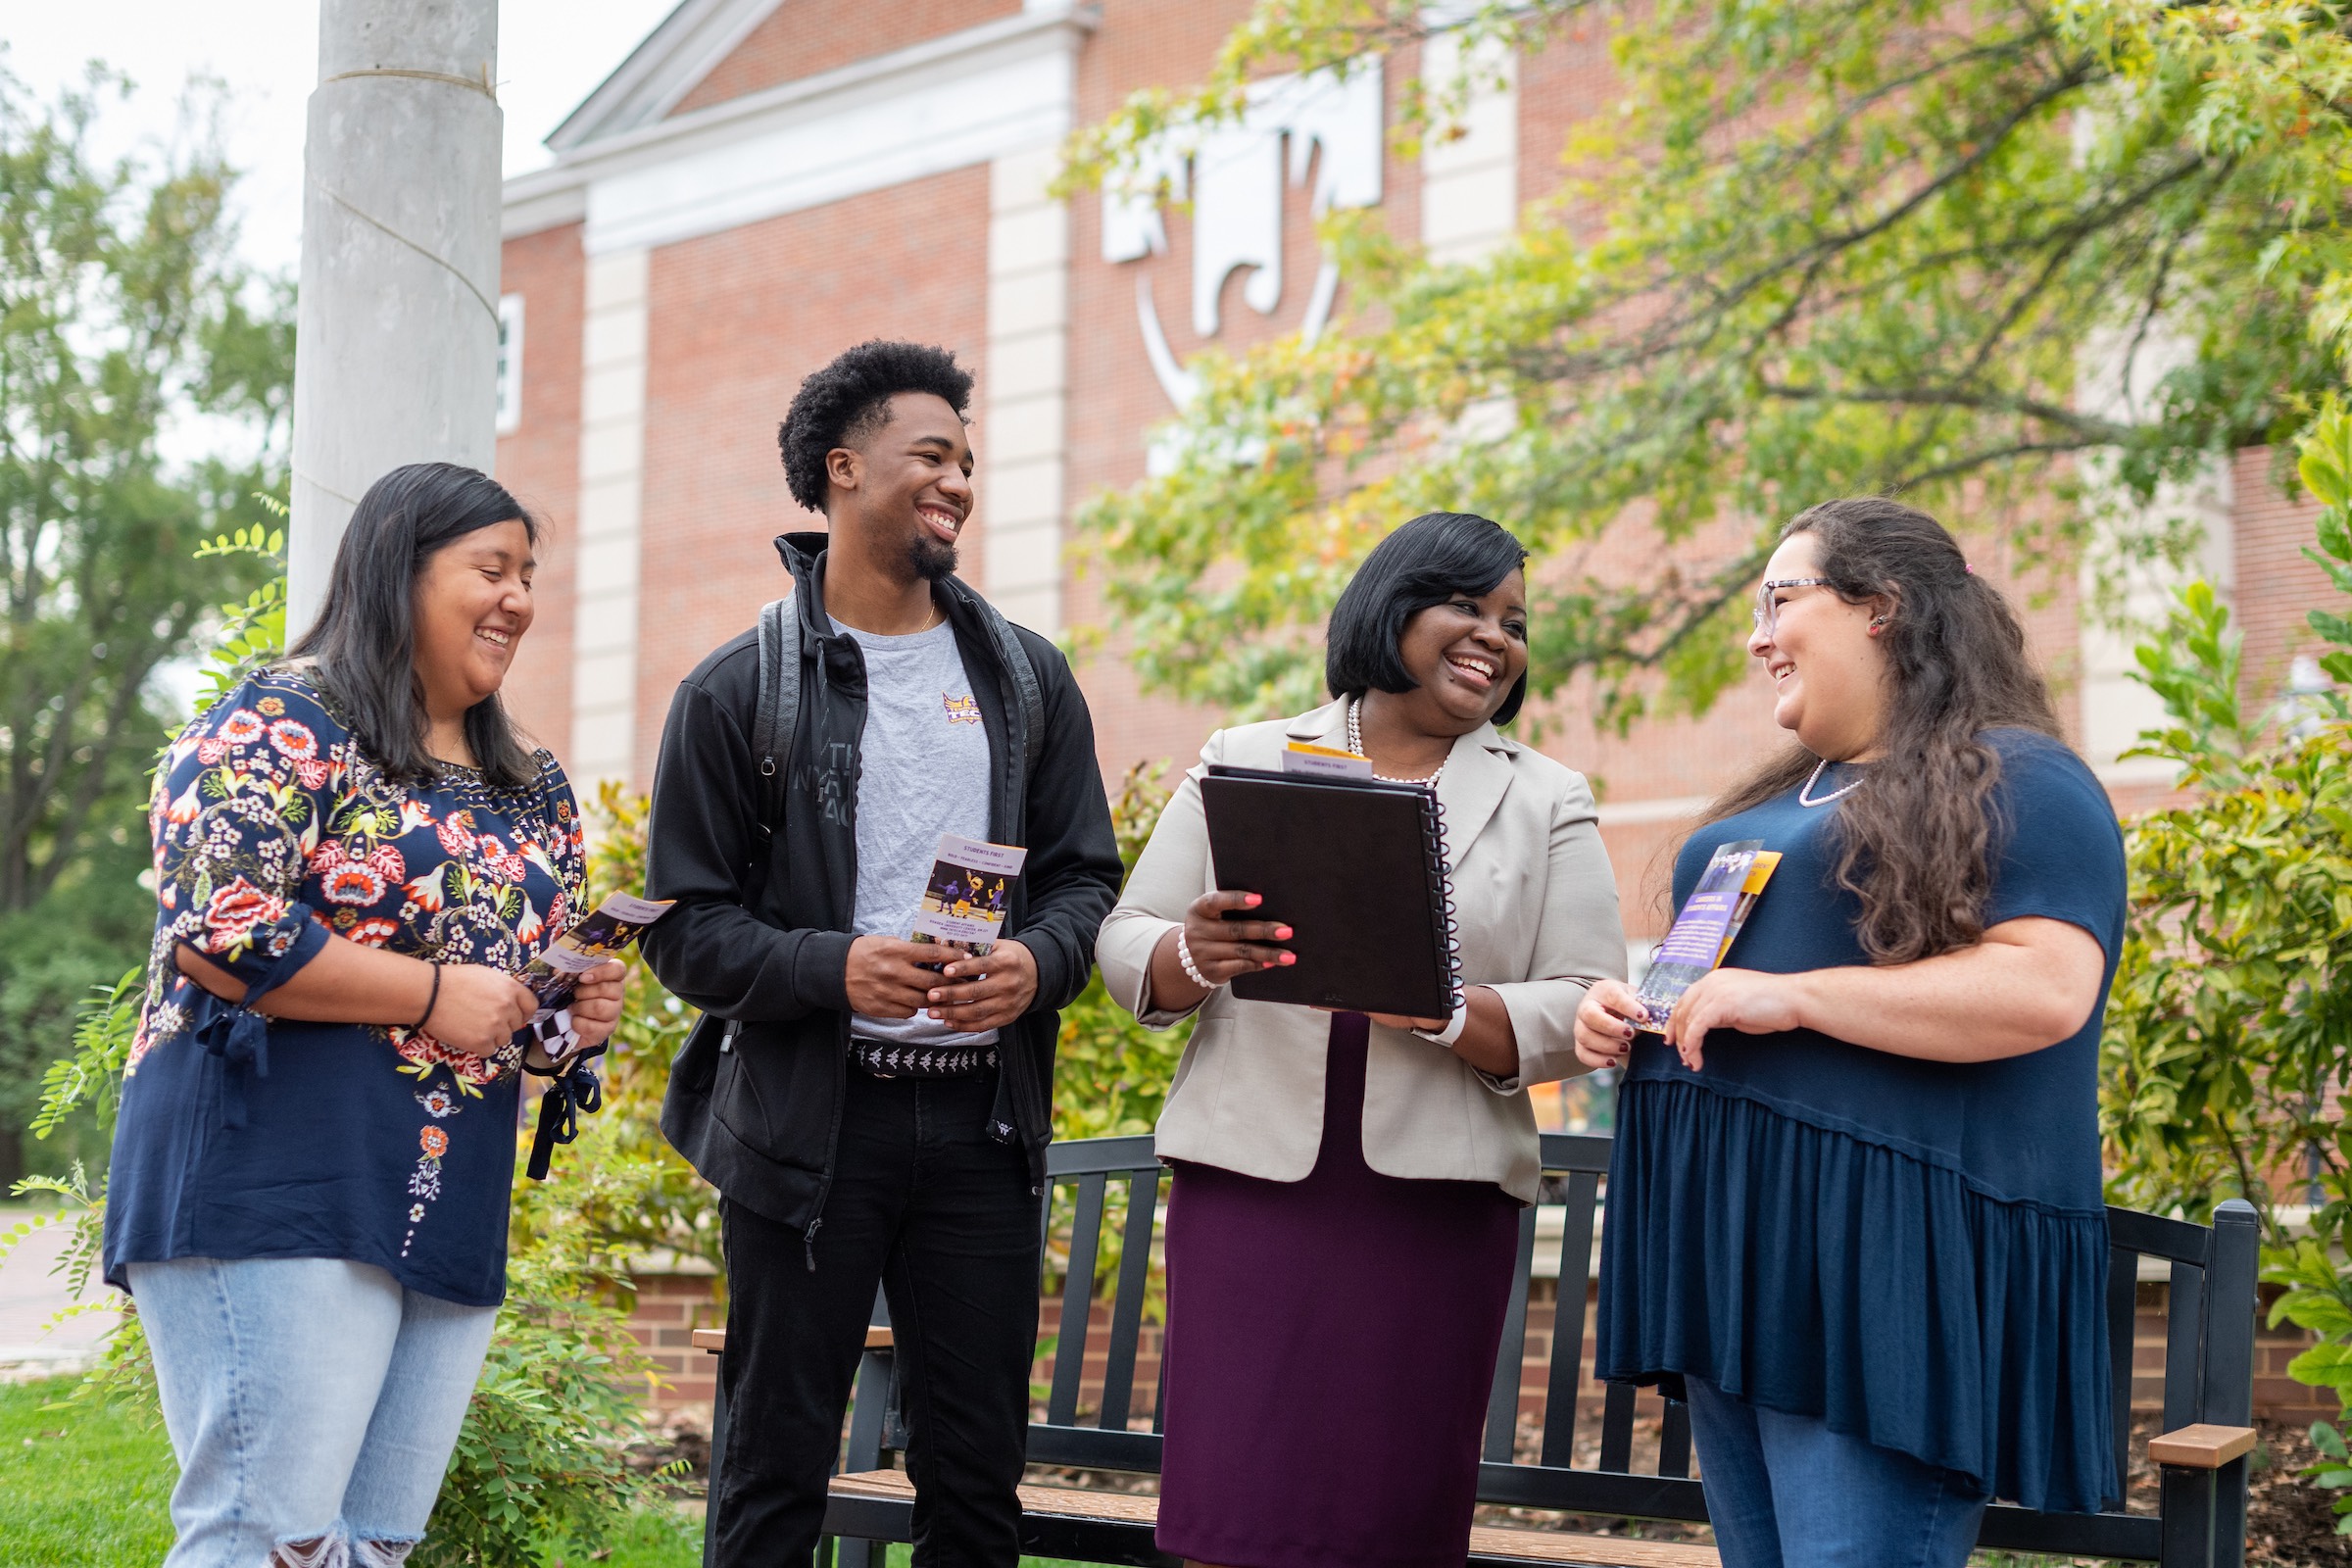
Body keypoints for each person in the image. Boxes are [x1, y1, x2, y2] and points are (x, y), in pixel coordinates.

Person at [645, 340, 1123, 1567]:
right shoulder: (736, 691)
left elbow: (1084, 880)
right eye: (932, 455)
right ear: (843, 468)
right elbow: (689, 930)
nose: (959, 480)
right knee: (774, 1467)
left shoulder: (1025, 679)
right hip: (813, 1130)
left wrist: (1037, 965)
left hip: (981, 1129)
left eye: (967, 461)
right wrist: (834, 966)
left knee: (975, 1476)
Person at [1580, 498, 2127, 1566]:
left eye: (1781, 599)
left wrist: (1795, 997)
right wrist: (1636, 1013)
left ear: (1881, 606)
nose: (1757, 636)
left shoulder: (2022, 776)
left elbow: (2046, 991)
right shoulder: (1779, 804)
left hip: (1881, 1286)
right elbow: (1717, 985)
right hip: (1736, 1271)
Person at [103, 462, 629, 1568]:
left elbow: (517, 1000)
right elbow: (221, 923)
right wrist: (437, 992)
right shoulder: (287, 719)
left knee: (371, 1548)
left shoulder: (531, 785)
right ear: (399, 573)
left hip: (442, 1189)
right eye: (492, 569)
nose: (519, 600)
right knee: (267, 1538)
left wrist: (569, 1017)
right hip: (272, 1174)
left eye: (529, 575)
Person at [1095, 512, 1628, 1568]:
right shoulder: (1243, 756)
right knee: (1231, 1512)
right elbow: (1124, 942)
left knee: (1392, 1523)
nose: (1495, 638)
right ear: (1392, 604)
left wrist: (1445, 1006)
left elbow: (1583, 1003)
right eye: (1467, 607)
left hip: (1431, 1209)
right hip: (1252, 1192)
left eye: (1514, 622)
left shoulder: (1545, 796)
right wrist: (1195, 952)